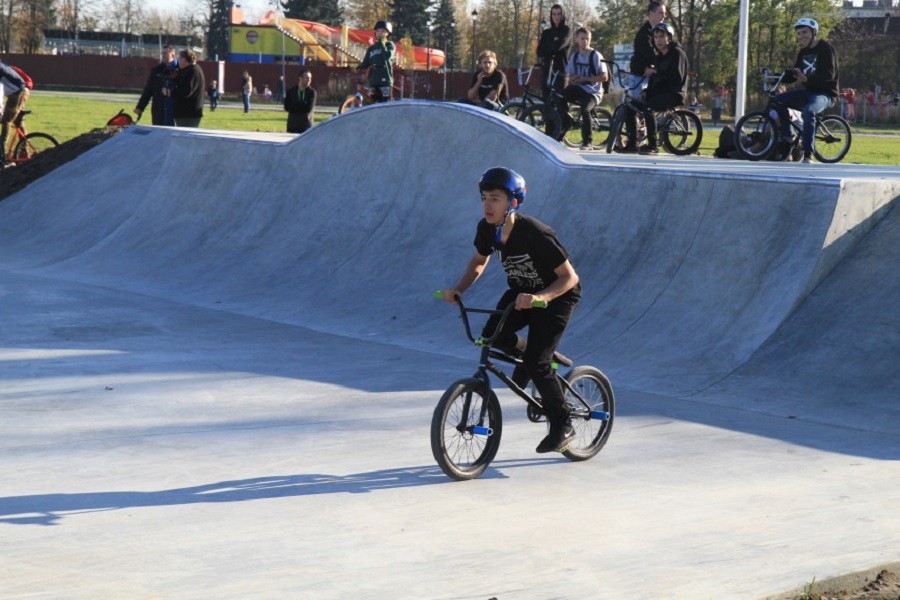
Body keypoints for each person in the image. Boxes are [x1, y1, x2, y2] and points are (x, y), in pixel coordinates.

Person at [441, 167, 582, 454]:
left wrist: (541, 297)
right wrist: (458, 289)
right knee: (492, 337)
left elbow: (570, 278)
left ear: (513, 203)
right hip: (520, 294)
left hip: (556, 297)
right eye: (484, 198)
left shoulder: (535, 233)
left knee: (537, 362)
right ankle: (537, 354)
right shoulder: (487, 229)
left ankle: (563, 424)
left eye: (495, 198)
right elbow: (479, 261)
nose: (487, 205)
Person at [773, 18, 839, 164]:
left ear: (813, 32)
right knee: (777, 100)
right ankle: (788, 138)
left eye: (805, 32)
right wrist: (776, 76)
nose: (801, 36)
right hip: (808, 93)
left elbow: (829, 75)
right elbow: (794, 74)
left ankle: (808, 153)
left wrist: (807, 79)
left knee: (808, 110)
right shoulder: (803, 52)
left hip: (825, 94)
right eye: (799, 33)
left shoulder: (826, 48)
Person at [621, 22, 687, 154]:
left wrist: (656, 74)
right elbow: (653, 80)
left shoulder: (677, 54)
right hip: (659, 92)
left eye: (661, 37)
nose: (658, 40)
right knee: (630, 107)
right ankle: (632, 144)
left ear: (669, 37)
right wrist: (646, 91)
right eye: (656, 37)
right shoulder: (659, 57)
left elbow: (676, 78)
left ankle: (652, 145)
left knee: (648, 108)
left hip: (673, 93)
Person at [557, 27, 608, 150]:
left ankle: (587, 142)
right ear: (577, 40)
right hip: (579, 88)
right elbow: (569, 74)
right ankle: (564, 126)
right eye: (582, 39)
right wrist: (573, 79)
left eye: (588, 39)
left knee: (585, 109)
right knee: (559, 98)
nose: (585, 41)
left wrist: (585, 79)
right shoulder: (575, 57)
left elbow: (604, 77)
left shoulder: (595, 56)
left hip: (593, 92)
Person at [629, 2, 668, 98]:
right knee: (639, 108)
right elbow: (651, 55)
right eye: (660, 13)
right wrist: (665, 66)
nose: (664, 16)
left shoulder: (658, 31)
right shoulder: (644, 34)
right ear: (651, 13)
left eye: (664, 13)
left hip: (650, 76)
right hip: (640, 77)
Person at [535, 4, 572, 101]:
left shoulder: (566, 31)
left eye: (559, 14)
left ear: (562, 15)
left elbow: (558, 46)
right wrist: (553, 42)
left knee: (560, 102)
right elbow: (539, 52)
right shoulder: (546, 32)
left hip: (560, 71)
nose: (556, 17)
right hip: (547, 70)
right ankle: (547, 116)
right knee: (546, 101)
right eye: (554, 14)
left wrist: (549, 45)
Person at [135, 45, 178, 125]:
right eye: (162, 53)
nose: (163, 55)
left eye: (165, 53)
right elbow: (148, 90)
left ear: (173, 55)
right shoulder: (157, 71)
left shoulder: (180, 70)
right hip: (159, 109)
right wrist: (140, 107)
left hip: (176, 110)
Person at [0, 60, 30, 168]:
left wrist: (0, 109)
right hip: (21, 92)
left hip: (18, 93)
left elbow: (0, 91)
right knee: (18, 121)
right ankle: (24, 151)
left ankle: (1, 150)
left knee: (6, 120)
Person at [357, 21, 395, 103]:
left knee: (385, 104)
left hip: (385, 81)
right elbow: (366, 62)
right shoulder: (371, 49)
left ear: (388, 33)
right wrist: (359, 67)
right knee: (372, 104)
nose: (380, 33)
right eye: (377, 31)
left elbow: (387, 56)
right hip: (373, 81)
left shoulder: (390, 45)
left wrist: (382, 44)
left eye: (383, 31)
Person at [170, 49, 205, 128]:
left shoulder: (193, 71)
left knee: (184, 138)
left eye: (179, 59)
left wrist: (171, 92)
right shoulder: (188, 70)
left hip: (188, 114)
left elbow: (186, 91)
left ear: (184, 59)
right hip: (184, 113)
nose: (178, 61)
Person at [284, 69, 316, 134]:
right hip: (292, 126)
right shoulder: (290, 91)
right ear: (300, 78)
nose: (309, 80)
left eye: (310, 78)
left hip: (306, 126)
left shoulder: (312, 92)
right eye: (307, 78)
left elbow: (308, 108)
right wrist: (303, 104)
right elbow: (287, 107)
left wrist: (294, 106)